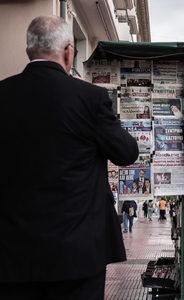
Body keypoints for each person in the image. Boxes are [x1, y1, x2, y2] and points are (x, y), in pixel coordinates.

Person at [0, 15, 139, 299]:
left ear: (29, 50)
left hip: (12, 253)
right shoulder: (90, 98)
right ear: (67, 52)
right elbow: (126, 152)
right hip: (78, 252)